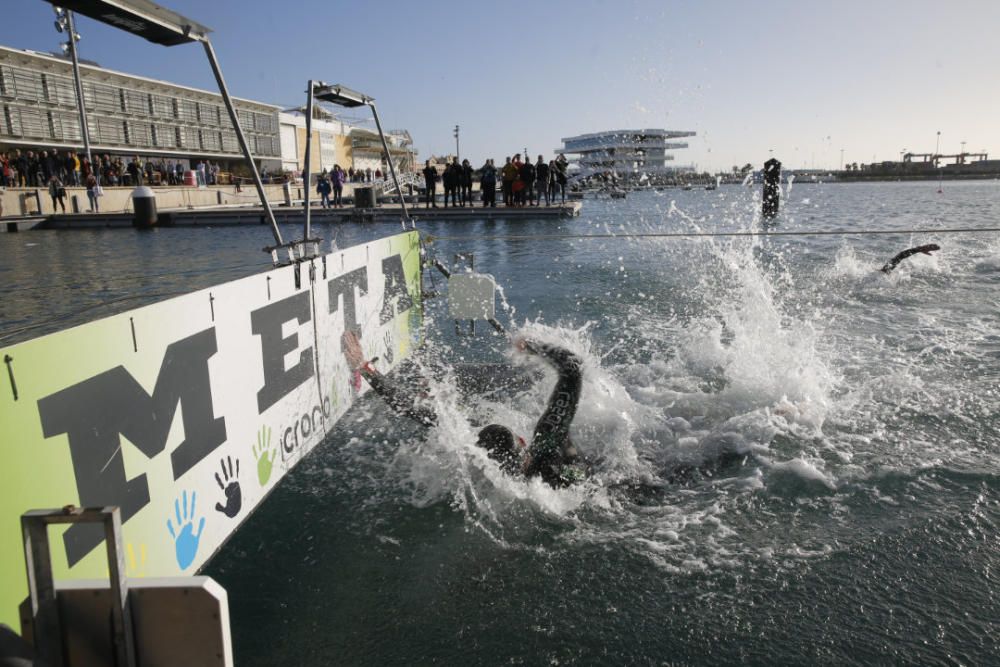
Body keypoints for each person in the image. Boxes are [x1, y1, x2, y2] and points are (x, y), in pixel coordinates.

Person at [342, 329, 587, 486]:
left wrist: (363, 366)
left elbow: (409, 408)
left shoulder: (476, 457)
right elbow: (573, 368)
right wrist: (532, 345)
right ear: (521, 442)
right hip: (590, 486)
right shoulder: (546, 442)